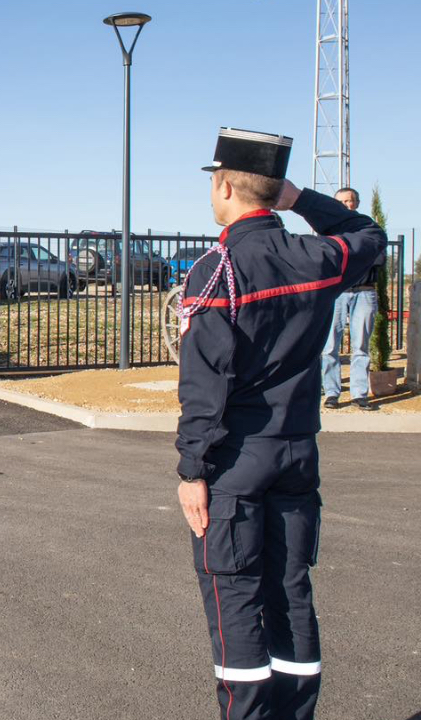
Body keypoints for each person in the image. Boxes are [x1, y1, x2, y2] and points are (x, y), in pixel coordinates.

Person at [175, 128, 385, 720]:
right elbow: (370, 236)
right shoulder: (313, 258)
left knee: (235, 594)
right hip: (297, 454)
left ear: (224, 185)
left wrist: (192, 468)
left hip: (237, 463)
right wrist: (301, 201)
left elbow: (205, 386)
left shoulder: (218, 271)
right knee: (291, 591)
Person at [320, 187, 381, 411]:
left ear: (357, 203)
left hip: (364, 291)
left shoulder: (368, 229)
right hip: (336, 293)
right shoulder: (327, 230)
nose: (346, 204)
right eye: (342, 201)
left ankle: (359, 393)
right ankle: (332, 392)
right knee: (329, 346)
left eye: (350, 201)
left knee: (361, 347)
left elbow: (377, 258)